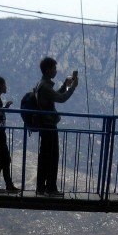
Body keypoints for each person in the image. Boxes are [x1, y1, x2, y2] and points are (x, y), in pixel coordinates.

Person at [35, 56, 78, 197]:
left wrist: (65, 85)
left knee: (45, 157)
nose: (56, 70)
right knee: (52, 157)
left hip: (45, 125)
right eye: (54, 68)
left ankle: (41, 187)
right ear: (48, 70)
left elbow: (55, 96)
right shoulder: (45, 87)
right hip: (49, 126)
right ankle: (51, 188)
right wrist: (73, 88)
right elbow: (61, 99)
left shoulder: (42, 85)